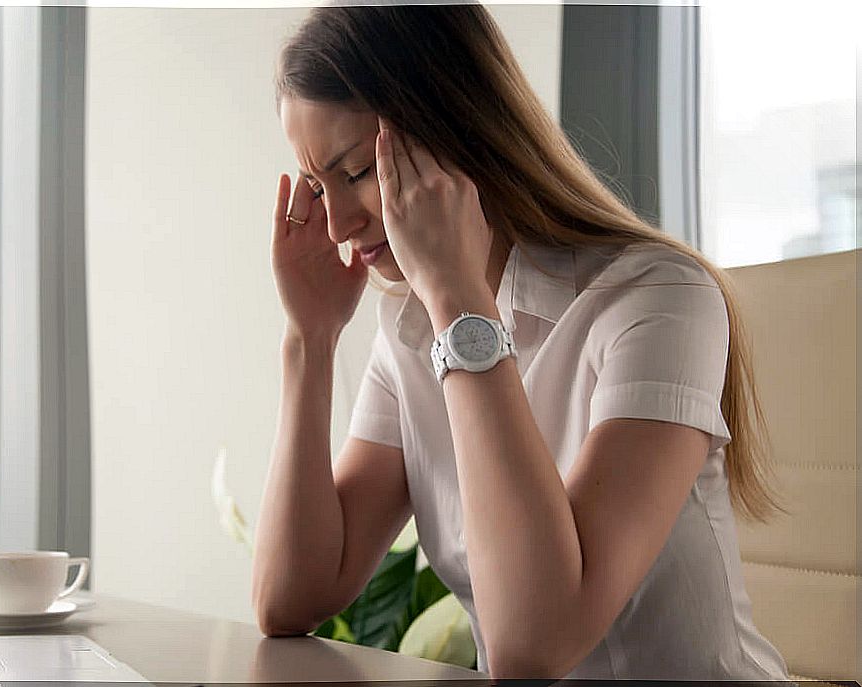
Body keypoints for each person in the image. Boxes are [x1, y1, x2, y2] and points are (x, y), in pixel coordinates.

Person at [251, 2, 792, 681]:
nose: (334, 226)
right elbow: (290, 596)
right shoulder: (410, 330)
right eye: (315, 186)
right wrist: (310, 338)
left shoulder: (658, 300)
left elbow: (534, 645)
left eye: (356, 170)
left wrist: (457, 303)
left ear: (455, 127)